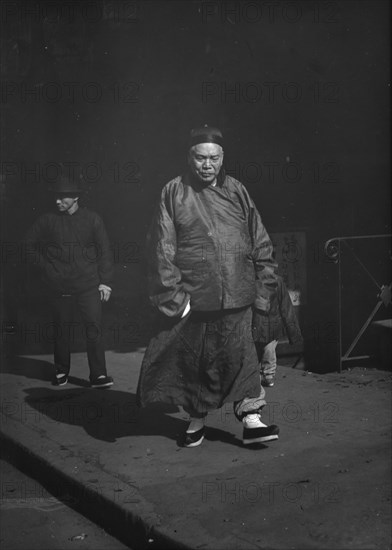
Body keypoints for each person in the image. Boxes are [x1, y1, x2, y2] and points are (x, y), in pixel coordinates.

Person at [137, 125, 280, 447]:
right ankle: (196, 418)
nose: (207, 165)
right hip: (195, 297)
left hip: (239, 293)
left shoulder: (236, 190)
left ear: (222, 158)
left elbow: (260, 241)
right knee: (198, 363)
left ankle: (252, 418)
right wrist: (175, 297)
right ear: (189, 158)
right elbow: (161, 248)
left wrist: (262, 289)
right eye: (200, 158)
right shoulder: (173, 192)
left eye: (213, 158)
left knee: (242, 358)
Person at [24, 175, 114, 388]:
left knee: (93, 329)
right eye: (56, 197)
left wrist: (106, 282)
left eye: (62, 198)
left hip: (89, 285)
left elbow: (105, 251)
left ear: (75, 197)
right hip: (59, 286)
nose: (57, 202)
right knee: (61, 330)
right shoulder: (47, 220)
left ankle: (98, 375)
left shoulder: (92, 219)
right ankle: (61, 371)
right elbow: (27, 245)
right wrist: (47, 268)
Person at [253, 275, 303, 387]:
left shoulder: (249, 277)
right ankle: (268, 376)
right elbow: (286, 308)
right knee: (269, 351)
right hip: (272, 325)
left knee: (257, 352)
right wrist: (294, 335)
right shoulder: (277, 280)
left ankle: (257, 377)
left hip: (255, 324)